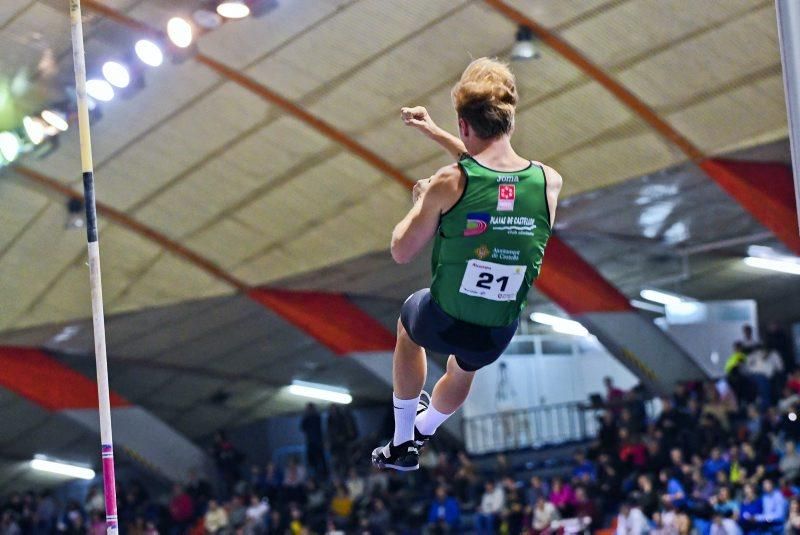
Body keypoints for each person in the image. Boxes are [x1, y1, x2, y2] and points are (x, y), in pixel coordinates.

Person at [371, 57, 562, 470]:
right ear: (510, 122)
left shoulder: (447, 183)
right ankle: (427, 428)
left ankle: (403, 439)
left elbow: (401, 251)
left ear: (464, 125)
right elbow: (494, 173)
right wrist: (434, 132)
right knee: (462, 370)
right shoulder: (549, 181)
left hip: (444, 318)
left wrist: (424, 200)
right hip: (496, 332)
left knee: (408, 325)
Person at [300, 403, 328, 478]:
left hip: (316, 443)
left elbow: (303, 428)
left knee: (319, 462)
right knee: (315, 462)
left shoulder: (315, 417)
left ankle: (321, 476)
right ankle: (317, 477)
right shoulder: (315, 417)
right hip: (313, 443)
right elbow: (303, 428)